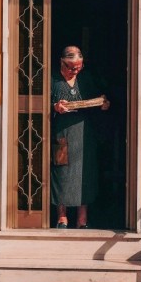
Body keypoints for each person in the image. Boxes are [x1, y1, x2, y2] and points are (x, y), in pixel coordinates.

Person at [50, 45, 110, 229]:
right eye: (71, 67)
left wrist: (103, 104)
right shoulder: (52, 80)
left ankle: (82, 220)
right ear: (62, 63)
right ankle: (62, 218)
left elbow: (99, 99)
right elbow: (39, 103)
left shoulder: (86, 79)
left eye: (78, 67)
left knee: (84, 174)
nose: (75, 71)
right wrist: (55, 107)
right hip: (61, 133)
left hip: (84, 134)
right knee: (61, 173)